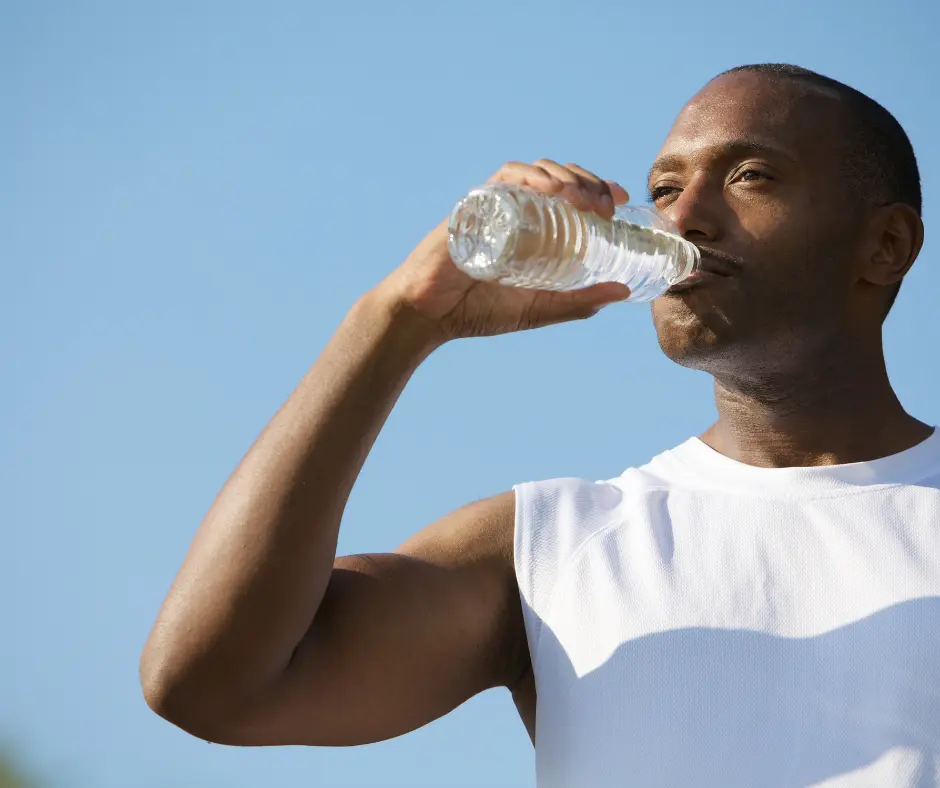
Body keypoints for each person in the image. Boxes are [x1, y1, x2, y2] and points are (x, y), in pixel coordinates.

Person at [140, 64, 939, 787]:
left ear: (887, 244)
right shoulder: (550, 546)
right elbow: (211, 687)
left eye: (751, 175)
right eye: (663, 189)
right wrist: (397, 322)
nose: (684, 217)